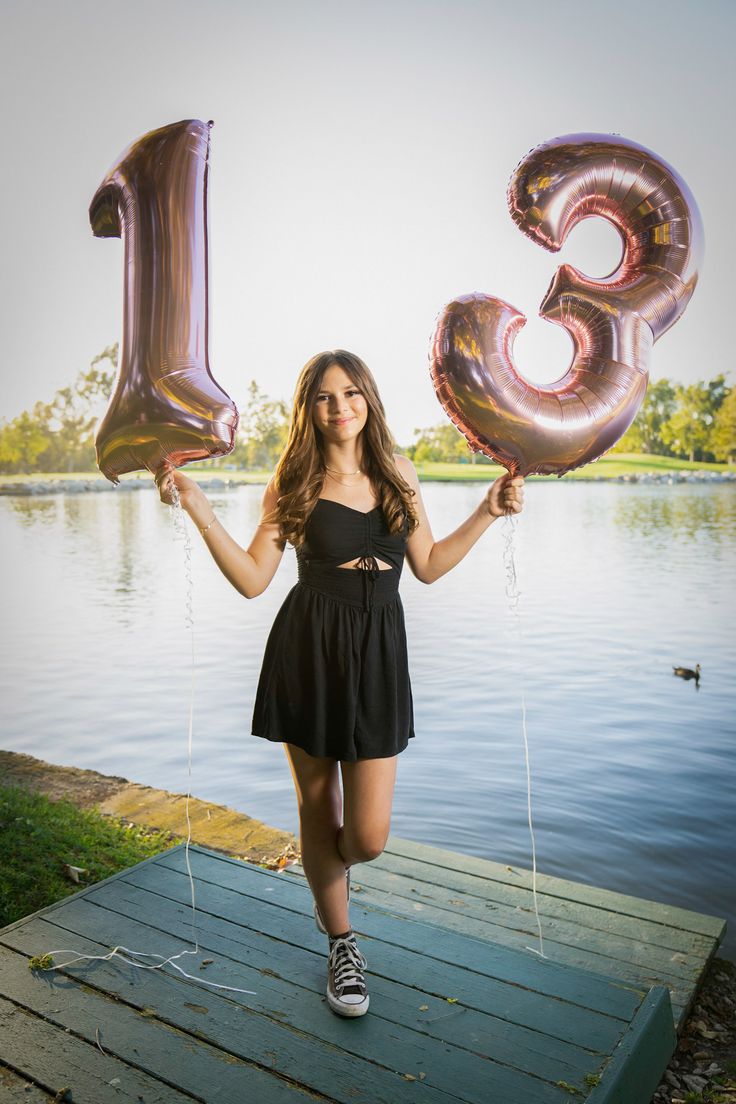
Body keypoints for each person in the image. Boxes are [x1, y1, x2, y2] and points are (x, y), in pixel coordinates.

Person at [156, 349, 524, 1018]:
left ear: (368, 399)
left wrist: (489, 509)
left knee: (367, 837)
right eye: (326, 396)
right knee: (317, 808)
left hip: (380, 651)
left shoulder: (397, 474)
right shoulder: (293, 481)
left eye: (351, 392)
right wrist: (197, 507)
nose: (340, 406)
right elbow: (252, 579)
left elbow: (431, 565)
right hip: (309, 651)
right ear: (311, 409)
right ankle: (342, 945)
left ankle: (329, 865)